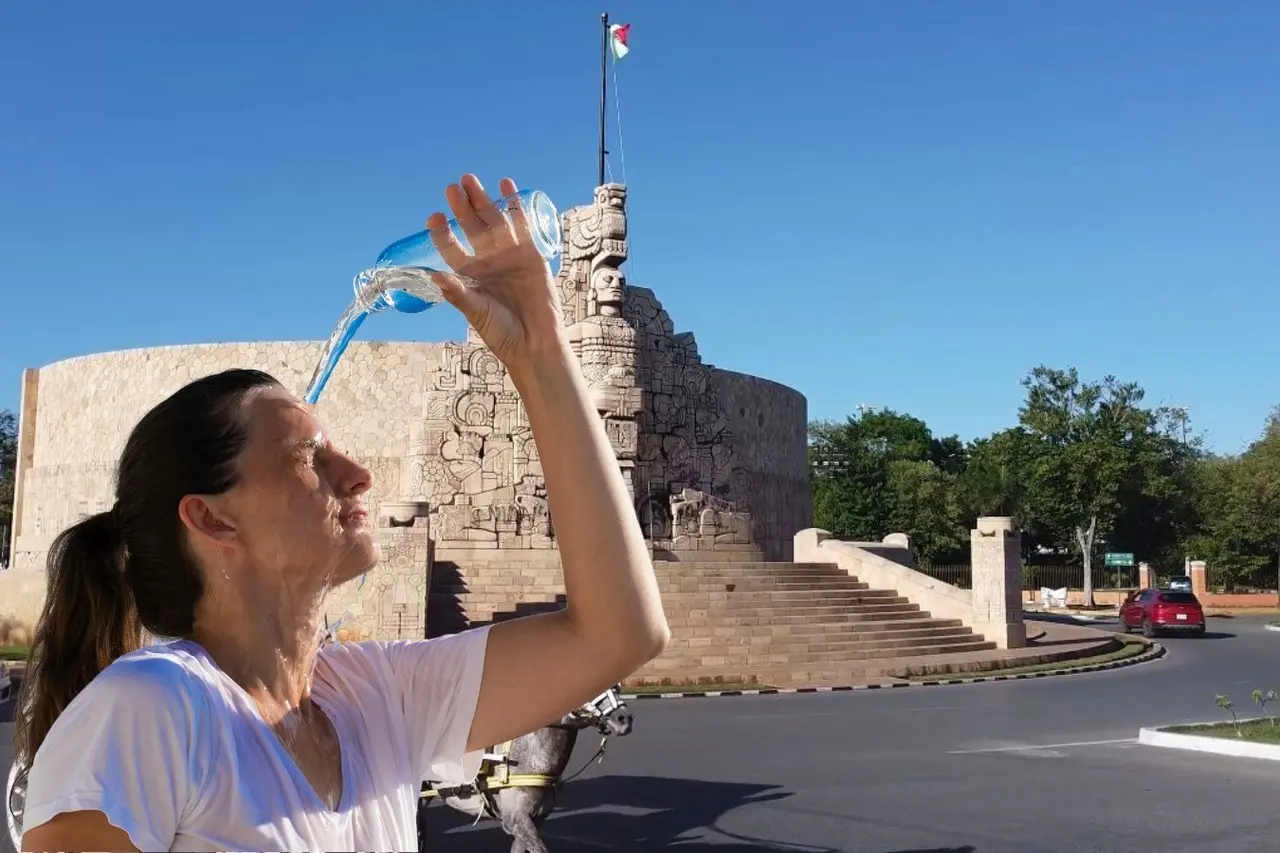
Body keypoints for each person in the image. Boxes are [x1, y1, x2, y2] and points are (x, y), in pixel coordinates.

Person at [14, 175, 670, 852]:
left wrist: (540, 354)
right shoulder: (154, 707)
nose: (358, 475)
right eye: (308, 458)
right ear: (212, 519)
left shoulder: (373, 695)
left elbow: (618, 635)